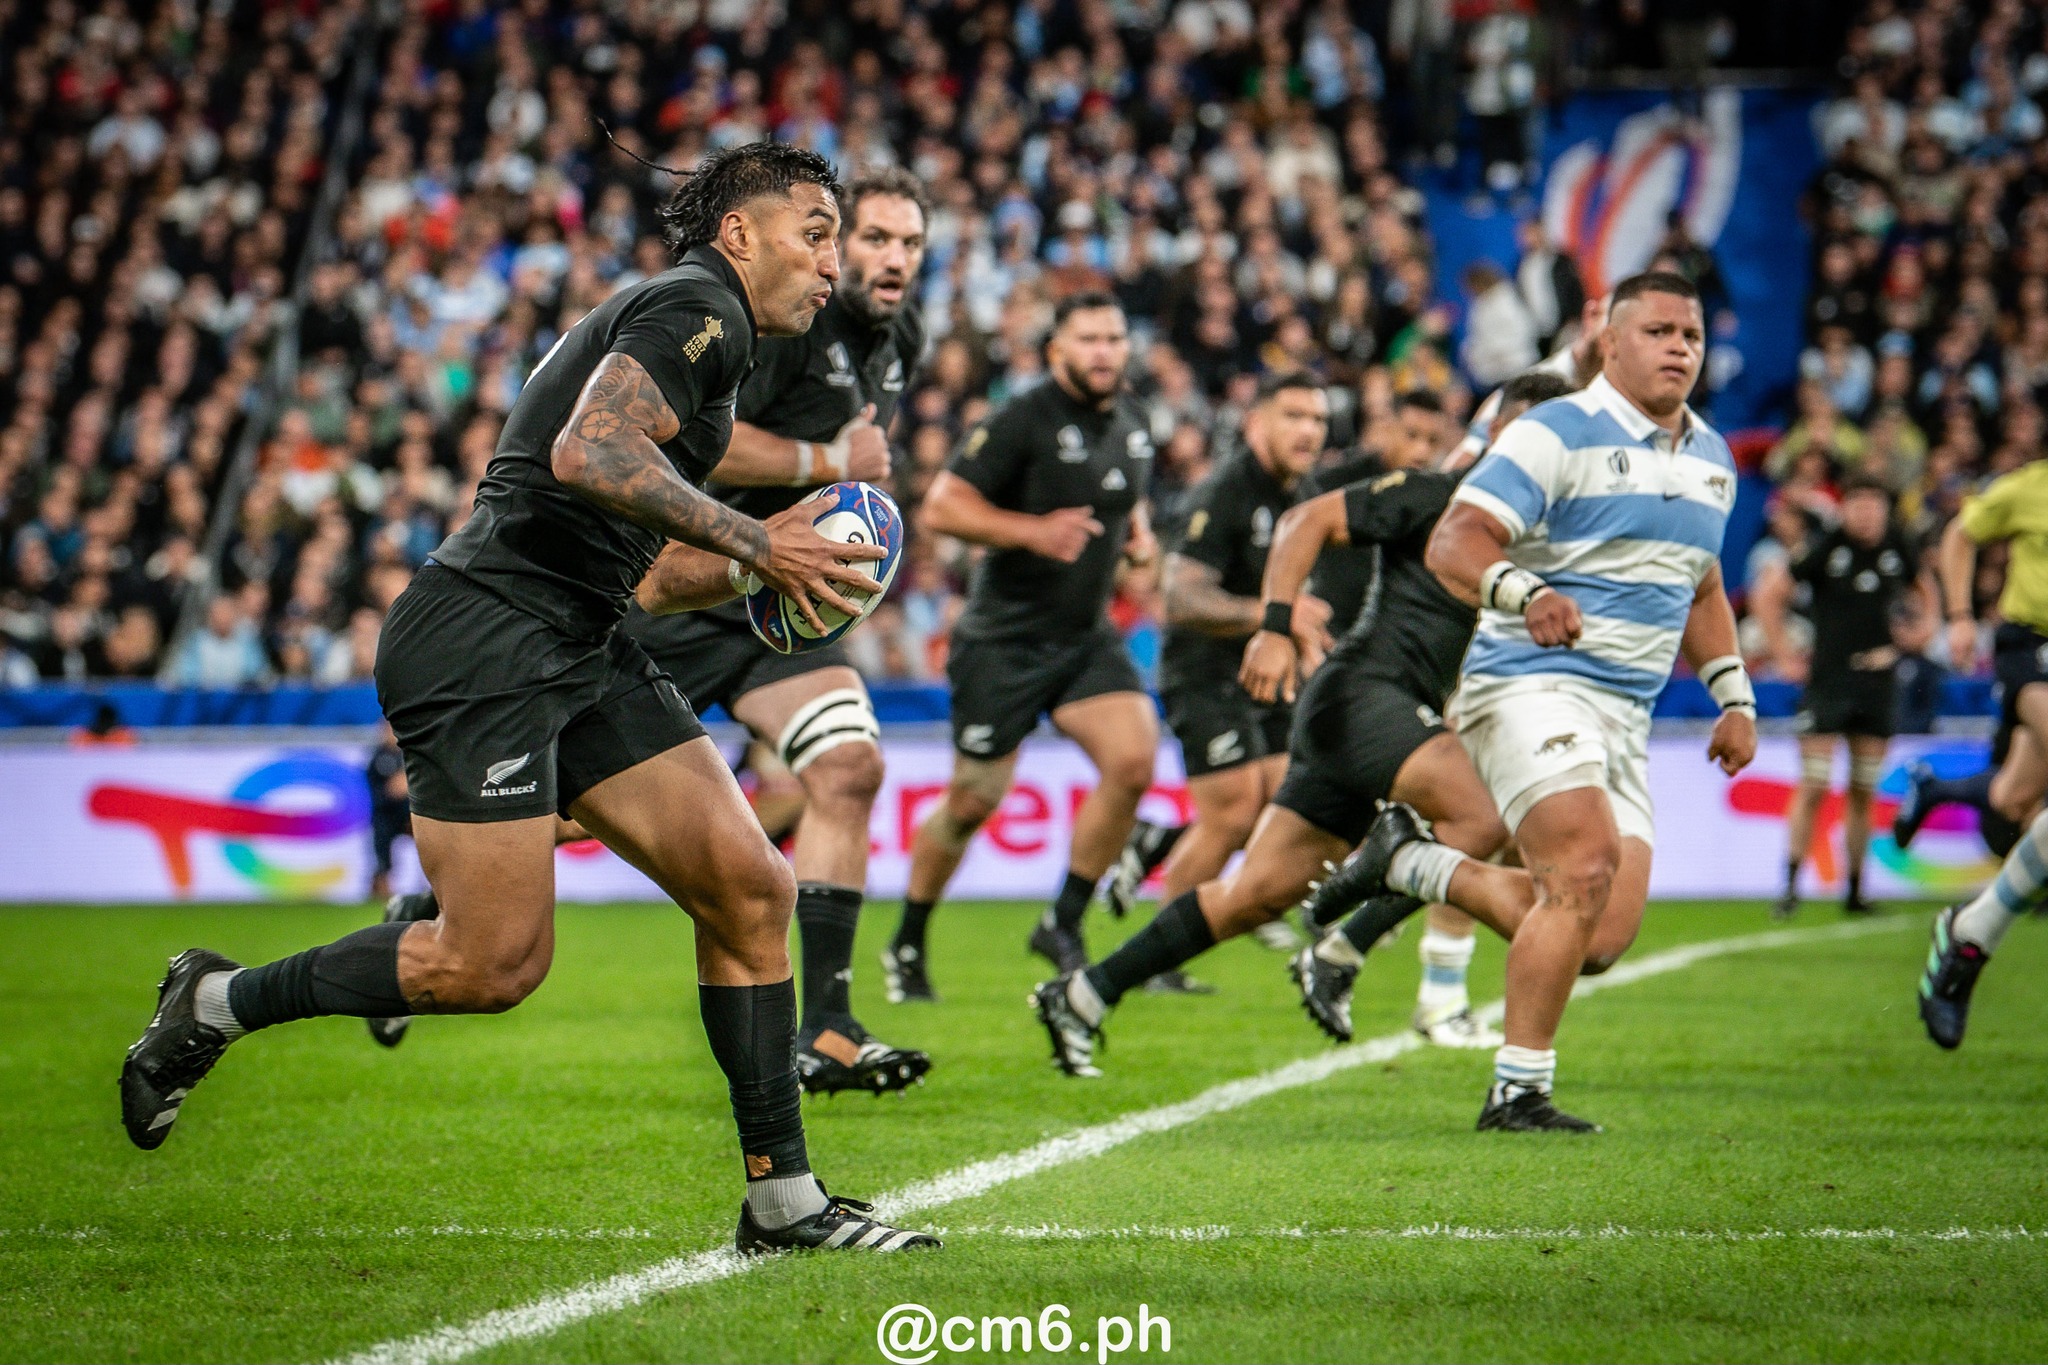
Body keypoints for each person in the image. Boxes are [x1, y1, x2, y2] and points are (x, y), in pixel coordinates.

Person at [117, 143, 939, 1256]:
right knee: (490, 964)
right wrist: (759, 540)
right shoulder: (700, 307)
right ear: (740, 234)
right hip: (485, 638)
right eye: (818, 232)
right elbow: (589, 449)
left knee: (751, 890)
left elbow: (648, 574)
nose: (833, 262)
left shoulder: (709, 340)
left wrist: (765, 568)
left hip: (582, 635)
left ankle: (782, 1201)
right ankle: (216, 1001)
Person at [362, 170, 935, 1097]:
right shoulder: (760, 316)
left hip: (773, 584)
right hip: (680, 579)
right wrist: (824, 463)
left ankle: (827, 1024)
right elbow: (670, 431)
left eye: (908, 244)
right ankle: (441, 907)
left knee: (848, 769)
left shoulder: (895, 339)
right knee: (570, 814)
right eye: (863, 237)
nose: (878, 260)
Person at [1024, 370, 1572, 1080]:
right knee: (1481, 815)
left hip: (1362, 710)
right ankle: (1343, 949)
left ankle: (1084, 994)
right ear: (1496, 434)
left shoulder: (1535, 532)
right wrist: (1275, 626)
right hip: (1364, 696)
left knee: (1254, 895)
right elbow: (1304, 521)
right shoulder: (1436, 495)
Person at [1311, 272, 1753, 1133]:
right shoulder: (1554, 430)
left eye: (1691, 335)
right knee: (1581, 867)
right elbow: (1455, 539)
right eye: (1658, 331)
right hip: (1528, 681)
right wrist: (1525, 592)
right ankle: (1518, 1089)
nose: (1679, 347)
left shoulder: (1712, 457)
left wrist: (1732, 693)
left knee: (1600, 936)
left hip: (1625, 712)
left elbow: (1700, 584)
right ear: (1610, 342)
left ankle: (1411, 862)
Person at [882, 292, 1160, 998]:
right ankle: (908, 938)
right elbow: (943, 507)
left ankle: (1062, 921)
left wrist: (1139, 538)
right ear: (1056, 350)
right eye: (1088, 338)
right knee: (972, 801)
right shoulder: (1020, 418)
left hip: (1084, 635)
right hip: (1003, 640)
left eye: (1114, 337)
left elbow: (1125, 501)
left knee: (1133, 761)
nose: (1104, 351)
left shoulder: (1133, 422)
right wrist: (1033, 532)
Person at [1133, 371, 1337, 992]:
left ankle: (1166, 845)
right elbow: (1180, 598)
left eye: (1317, 419)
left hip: (1265, 675)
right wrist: (1276, 617)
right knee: (1231, 814)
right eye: (1293, 416)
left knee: (1284, 806)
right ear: (1256, 424)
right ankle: (1154, 961)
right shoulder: (1224, 491)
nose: (1308, 431)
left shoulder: (1304, 493)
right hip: (1203, 675)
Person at [1750, 473, 1927, 918]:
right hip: (1828, 683)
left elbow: (1926, 587)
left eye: (1874, 505)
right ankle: (1790, 887)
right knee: (1814, 783)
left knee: (1863, 789)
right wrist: (1783, 654)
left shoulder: (1898, 547)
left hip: (1878, 683)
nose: (1867, 515)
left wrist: (1924, 631)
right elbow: (1768, 594)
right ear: (1844, 509)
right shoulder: (1825, 548)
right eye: (1858, 505)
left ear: (1885, 511)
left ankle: (1855, 890)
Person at [1892, 451, 2048, 859]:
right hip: (2031, 647)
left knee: (2014, 798)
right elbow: (1960, 535)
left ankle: (1935, 789)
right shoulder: (2028, 487)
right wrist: (1960, 616)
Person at [365, 721, 410, 905]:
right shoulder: (380, 757)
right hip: (385, 815)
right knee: (382, 853)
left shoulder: (407, 755)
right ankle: (380, 889)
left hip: (408, 815)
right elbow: (392, 789)